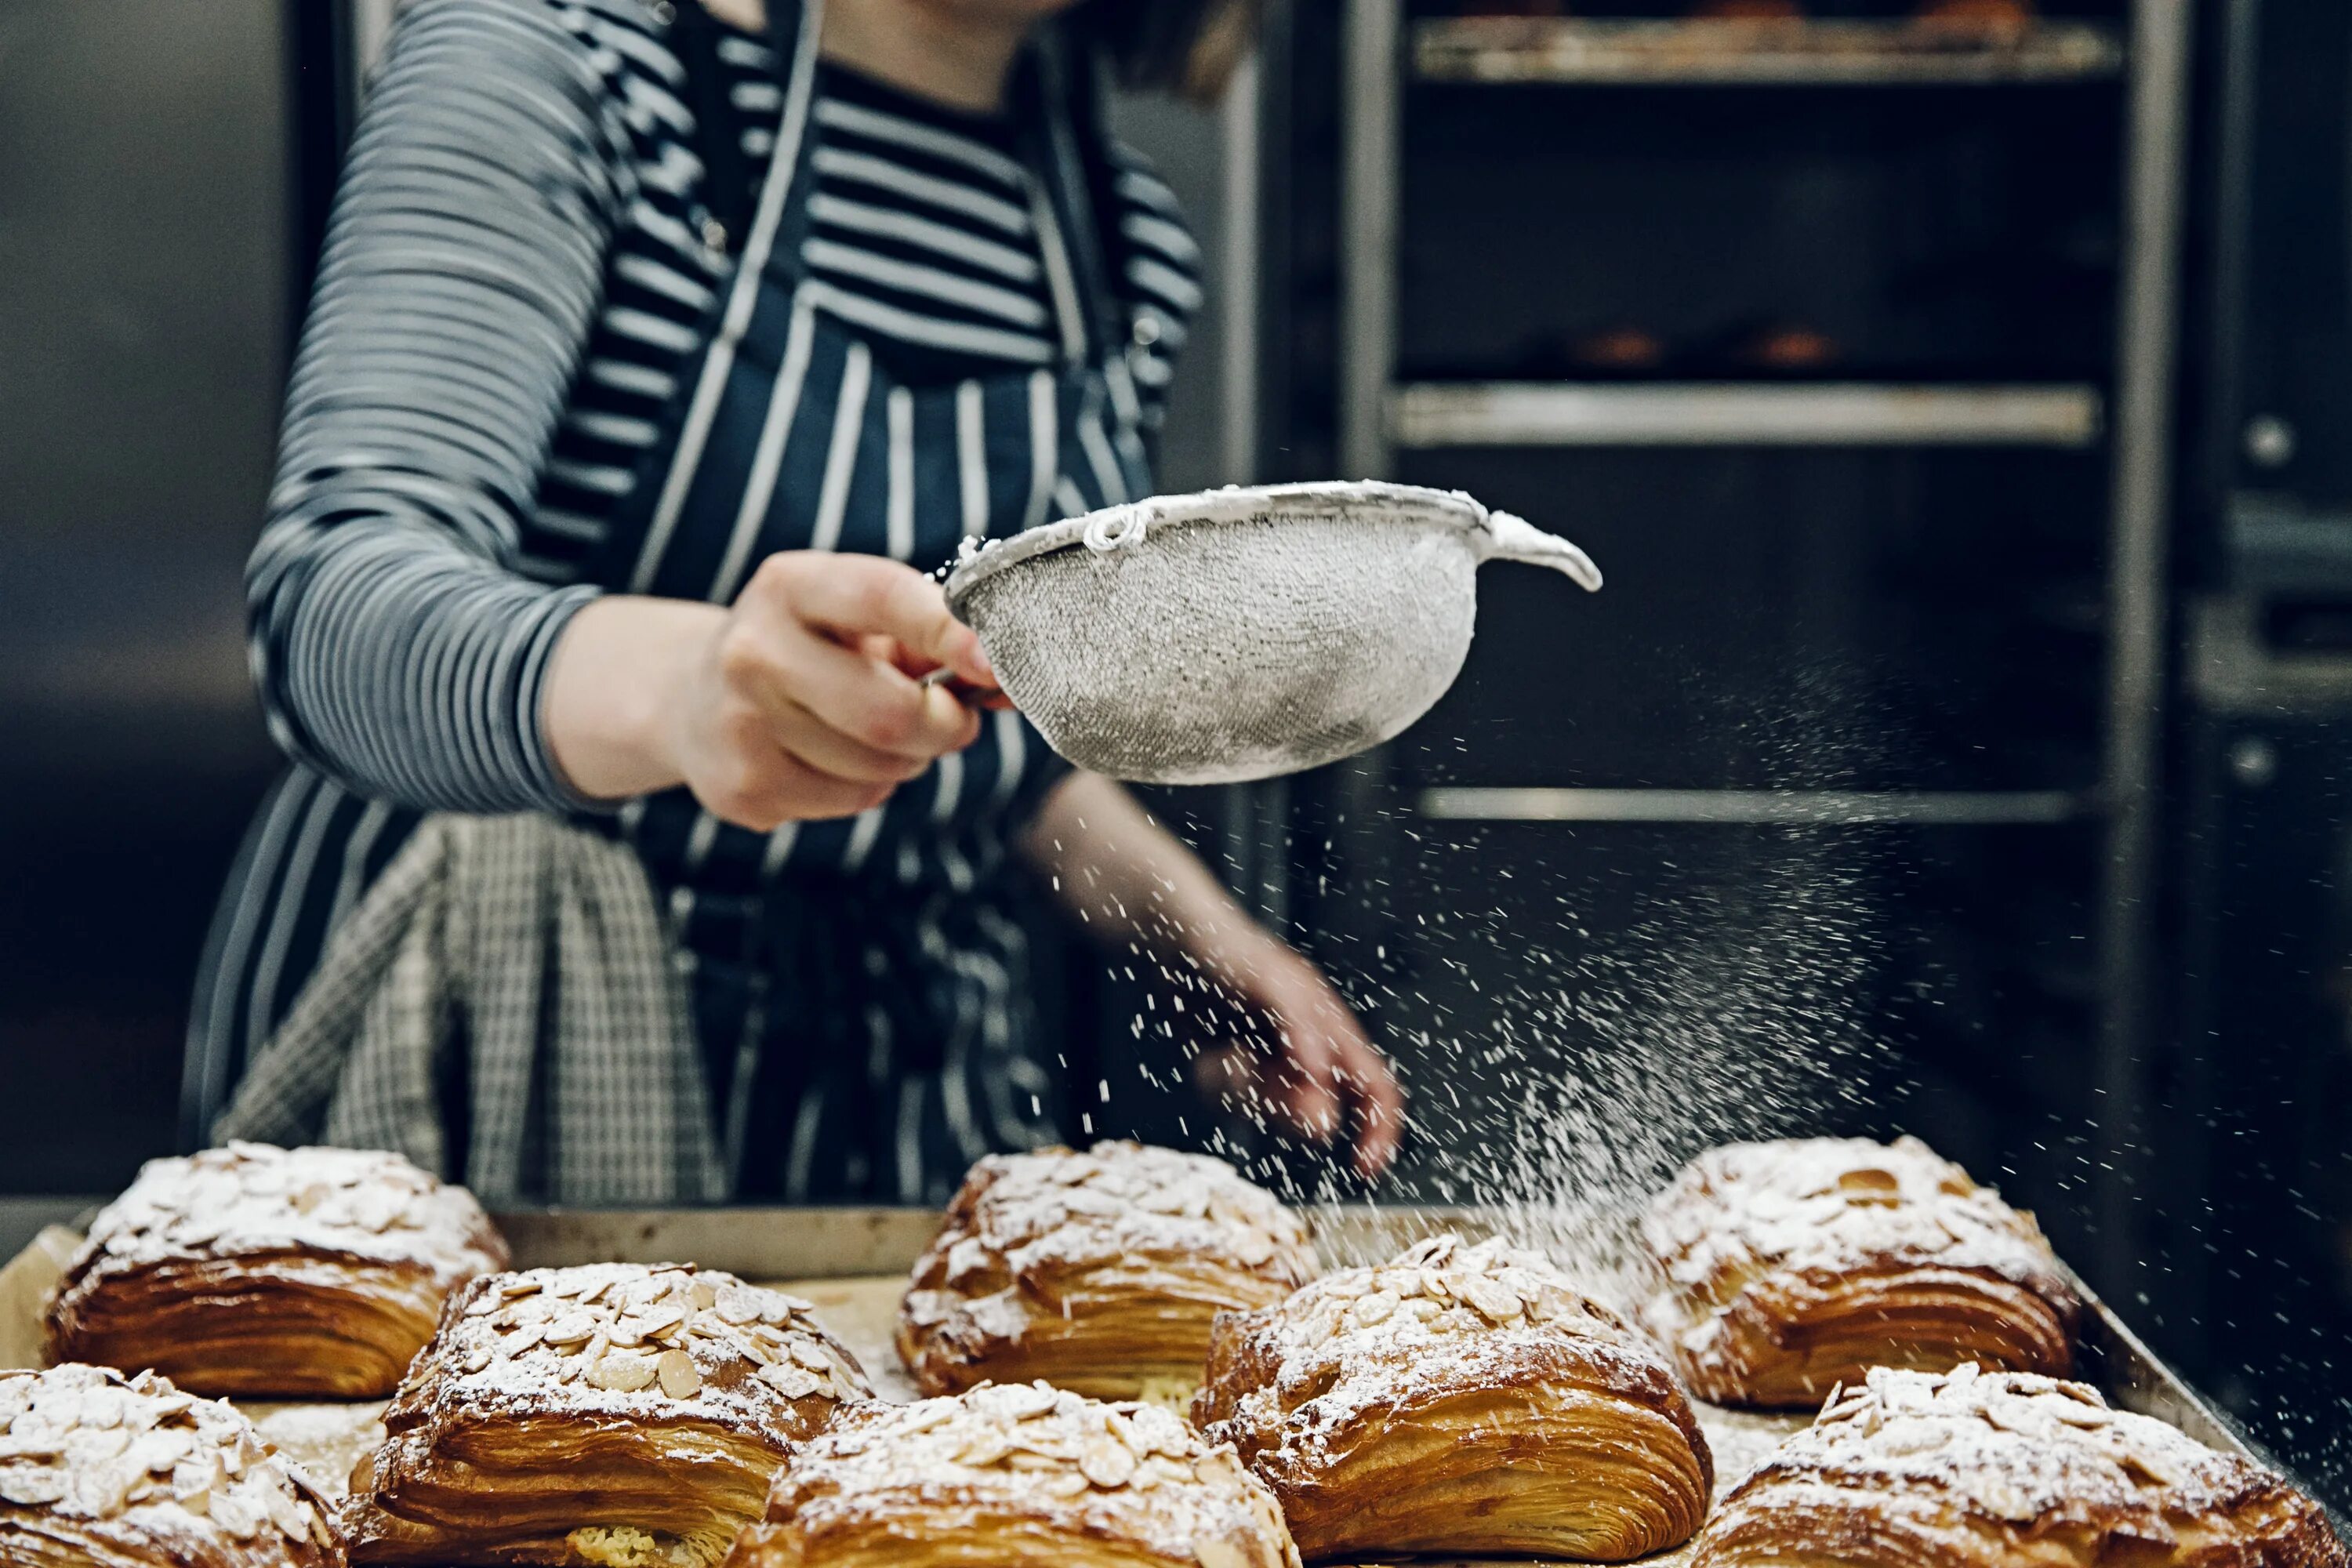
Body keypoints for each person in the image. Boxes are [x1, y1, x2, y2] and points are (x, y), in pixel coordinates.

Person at [186, 0, 1402, 1205]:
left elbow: (978, 738)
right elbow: (332, 603)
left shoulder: (1116, 245)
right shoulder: (568, 71)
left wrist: (1204, 944)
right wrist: (685, 694)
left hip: (894, 1099)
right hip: (492, 1044)